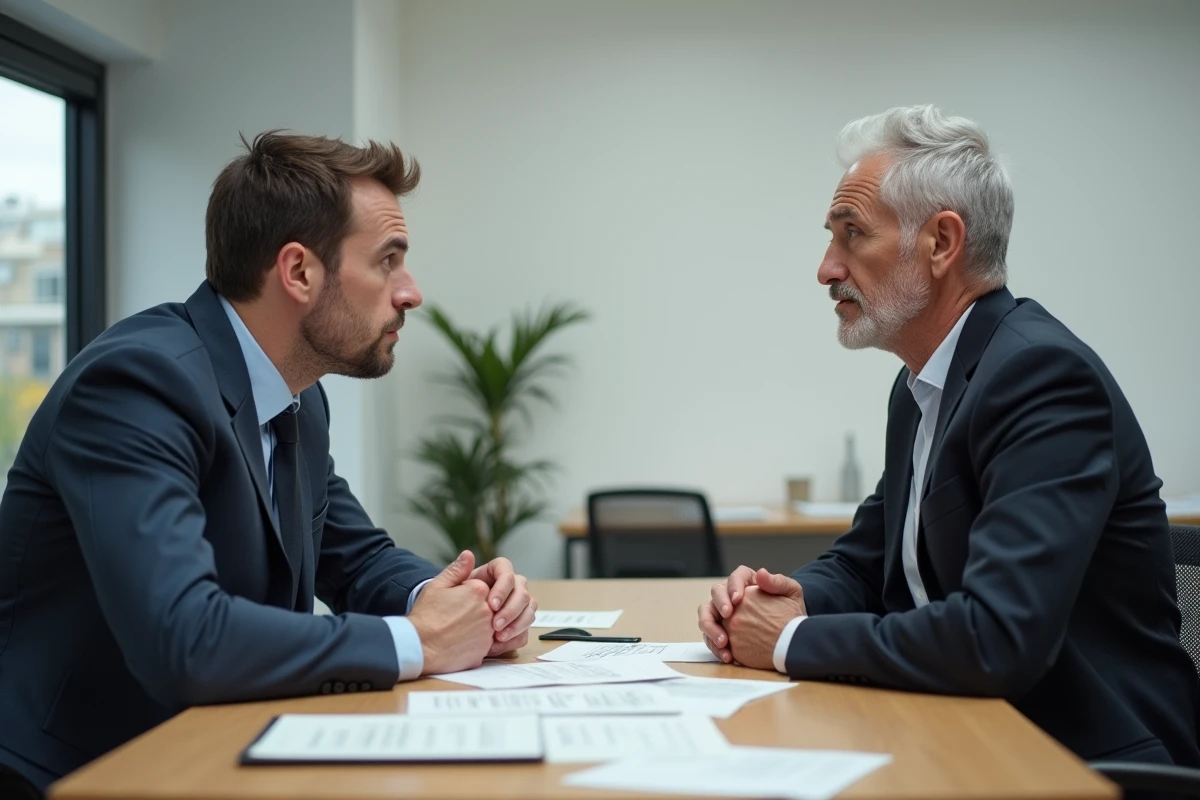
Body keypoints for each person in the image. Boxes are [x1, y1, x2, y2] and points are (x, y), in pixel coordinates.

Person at [0, 132, 536, 796]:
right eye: (389, 261)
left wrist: (455, 601)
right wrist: (417, 643)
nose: (411, 293)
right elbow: (185, 639)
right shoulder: (138, 385)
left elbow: (358, 558)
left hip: (212, 748)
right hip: (80, 772)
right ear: (299, 272)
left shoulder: (296, 397)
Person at [698, 105, 1200, 767]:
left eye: (852, 235)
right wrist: (781, 598)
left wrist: (793, 639)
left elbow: (997, 637)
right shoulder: (922, 384)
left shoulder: (1040, 376)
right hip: (970, 730)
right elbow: (868, 560)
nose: (826, 269)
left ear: (941, 243)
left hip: (1088, 759)